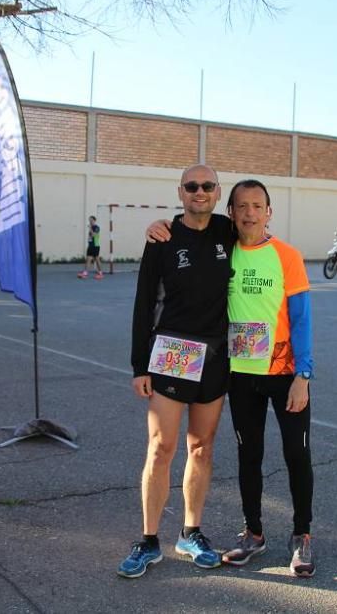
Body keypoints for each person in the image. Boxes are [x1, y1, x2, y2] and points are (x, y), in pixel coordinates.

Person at [145, 179, 317, 578]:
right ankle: (253, 533)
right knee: (249, 456)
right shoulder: (223, 253)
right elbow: (188, 234)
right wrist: (159, 227)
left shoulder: (287, 256)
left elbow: (302, 318)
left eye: (258, 206)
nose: (250, 213)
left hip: (285, 373)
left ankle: (302, 535)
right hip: (239, 375)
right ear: (232, 213)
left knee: (297, 455)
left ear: (269, 211)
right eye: (242, 206)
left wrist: (303, 375)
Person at [119, 165, 233, 578]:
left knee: (201, 447)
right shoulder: (163, 238)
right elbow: (143, 302)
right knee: (161, 448)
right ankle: (148, 541)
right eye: (191, 186)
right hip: (170, 354)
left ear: (217, 192)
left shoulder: (228, 231)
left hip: (216, 355)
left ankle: (191, 532)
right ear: (180, 192)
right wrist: (139, 364)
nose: (199, 192)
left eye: (206, 186)